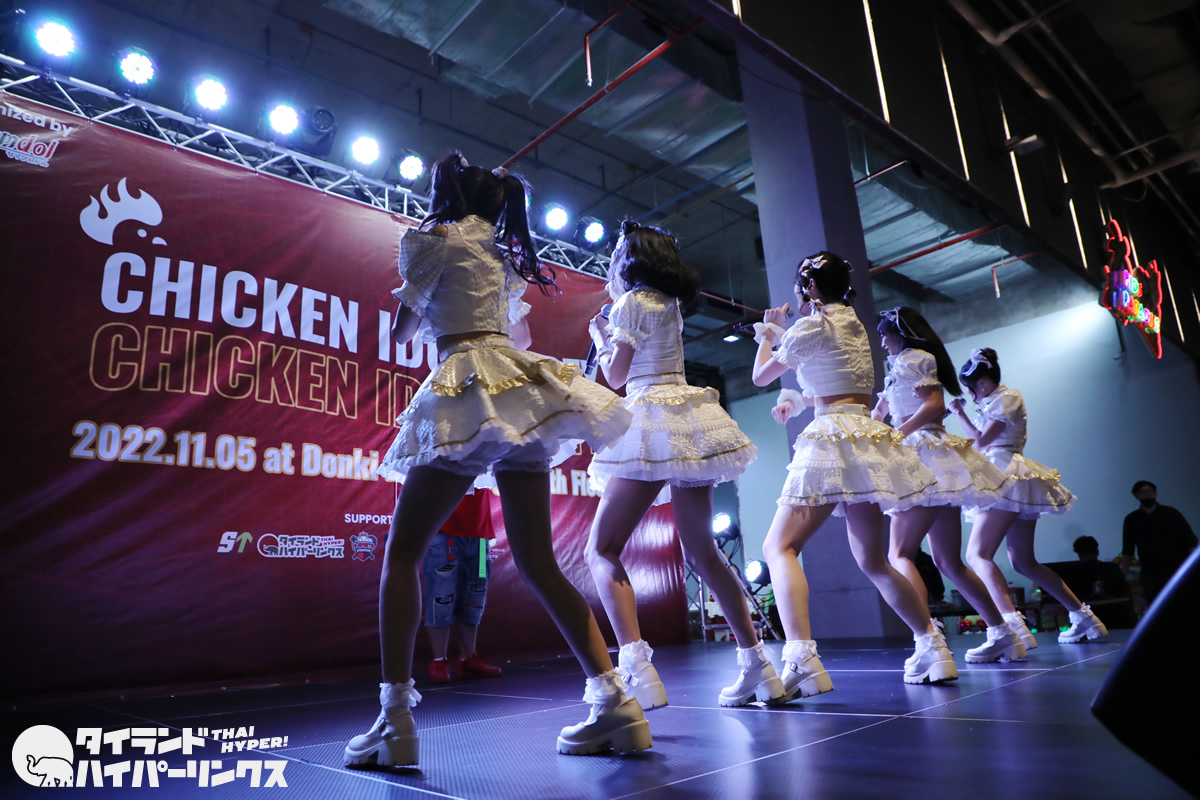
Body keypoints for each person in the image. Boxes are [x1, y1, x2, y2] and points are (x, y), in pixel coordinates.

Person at [345, 152, 647, 769]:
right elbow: (516, 333)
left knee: (403, 554)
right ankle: (617, 702)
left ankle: (394, 718)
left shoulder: (430, 240)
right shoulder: (502, 255)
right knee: (539, 561)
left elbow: (402, 332)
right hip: (515, 386)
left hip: (465, 382)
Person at [584, 221, 782, 710]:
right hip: (689, 418)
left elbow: (615, 375)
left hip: (650, 419)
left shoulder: (630, 303)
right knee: (703, 552)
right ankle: (759, 666)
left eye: (616, 252)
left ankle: (638, 671)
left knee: (602, 550)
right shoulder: (668, 302)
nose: (612, 260)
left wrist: (601, 335)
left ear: (630, 258)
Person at [752, 252, 956, 692]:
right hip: (864, 435)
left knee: (779, 547)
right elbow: (835, 385)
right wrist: (797, 398)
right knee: (873, 560)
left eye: (800, 285)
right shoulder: (853, 324)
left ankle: (801, 658)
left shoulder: (813, 324)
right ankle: (932, 645)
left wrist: (767, 333)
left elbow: (760, 376)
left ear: (809, 287)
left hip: (831, 437)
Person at [872, 307, 1025, 664]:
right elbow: (882, 412)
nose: (881, 341)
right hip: (937, 459)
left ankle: (929, 640)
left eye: (884, 334)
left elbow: (933, 404)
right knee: (948, 562)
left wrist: (898, 433)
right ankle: (1002, 634)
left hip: (921, 456)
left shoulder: (913, 359)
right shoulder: (903, 366)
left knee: (899, 555)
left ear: (900, 333)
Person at [948, 348, 1108, 646]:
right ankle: (1083, 617)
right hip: (1008, 476)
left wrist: (959, 413)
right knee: (1023, 561)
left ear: (982, 382)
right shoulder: (995, 401)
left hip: (1004, 474)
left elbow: (981, 442)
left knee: (977, 555)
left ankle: (1014, 625)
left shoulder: (1007, 398)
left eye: (970, 388)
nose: (970, 395)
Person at [422, 491, 503, 684]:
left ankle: (469, 658)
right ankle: (439, 661)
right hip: (443, 530)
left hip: (480, 536)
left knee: (476, 592)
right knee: (441, 594)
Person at [1121, 481, 1197, 603]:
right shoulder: (1132, 519)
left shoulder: (1171, 513)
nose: (1147, 495)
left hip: (1177, 569)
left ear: (1155, 493)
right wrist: (1122, 575)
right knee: (1156, 604)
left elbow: (1191, 542)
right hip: (1151, 573)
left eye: (1149, 491)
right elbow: (1127, 551)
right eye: (1142, 492)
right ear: (1136, 496)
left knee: (1183, 604)